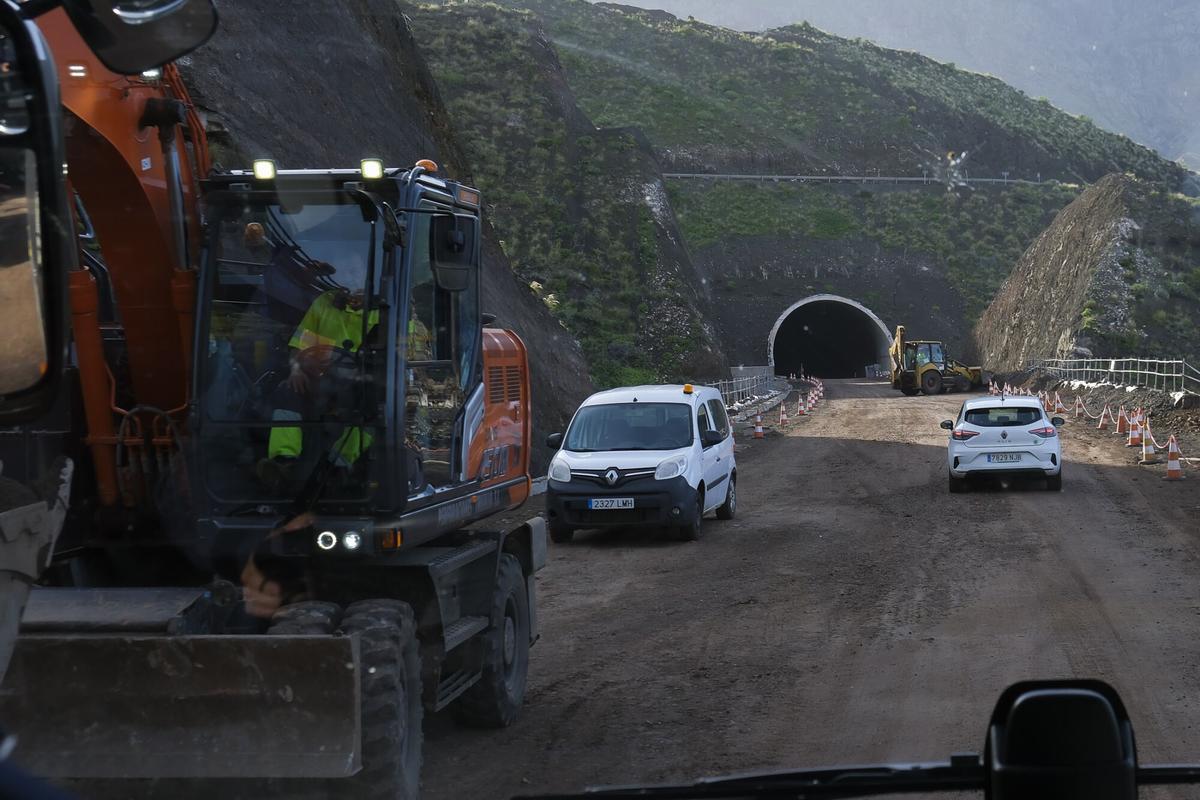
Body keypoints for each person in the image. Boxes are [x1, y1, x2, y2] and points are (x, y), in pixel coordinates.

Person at [256, 274, 379, 488]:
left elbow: (398, 359)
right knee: (288, 390)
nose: (351, 289)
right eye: (346, 280)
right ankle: (284, 462)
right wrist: (295, 370)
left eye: (356, 275)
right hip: (323, 382)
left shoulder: (386, 310)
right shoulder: (324, 303)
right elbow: (299, 347)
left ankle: (338, 468)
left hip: (364, 384)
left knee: (371, 406)